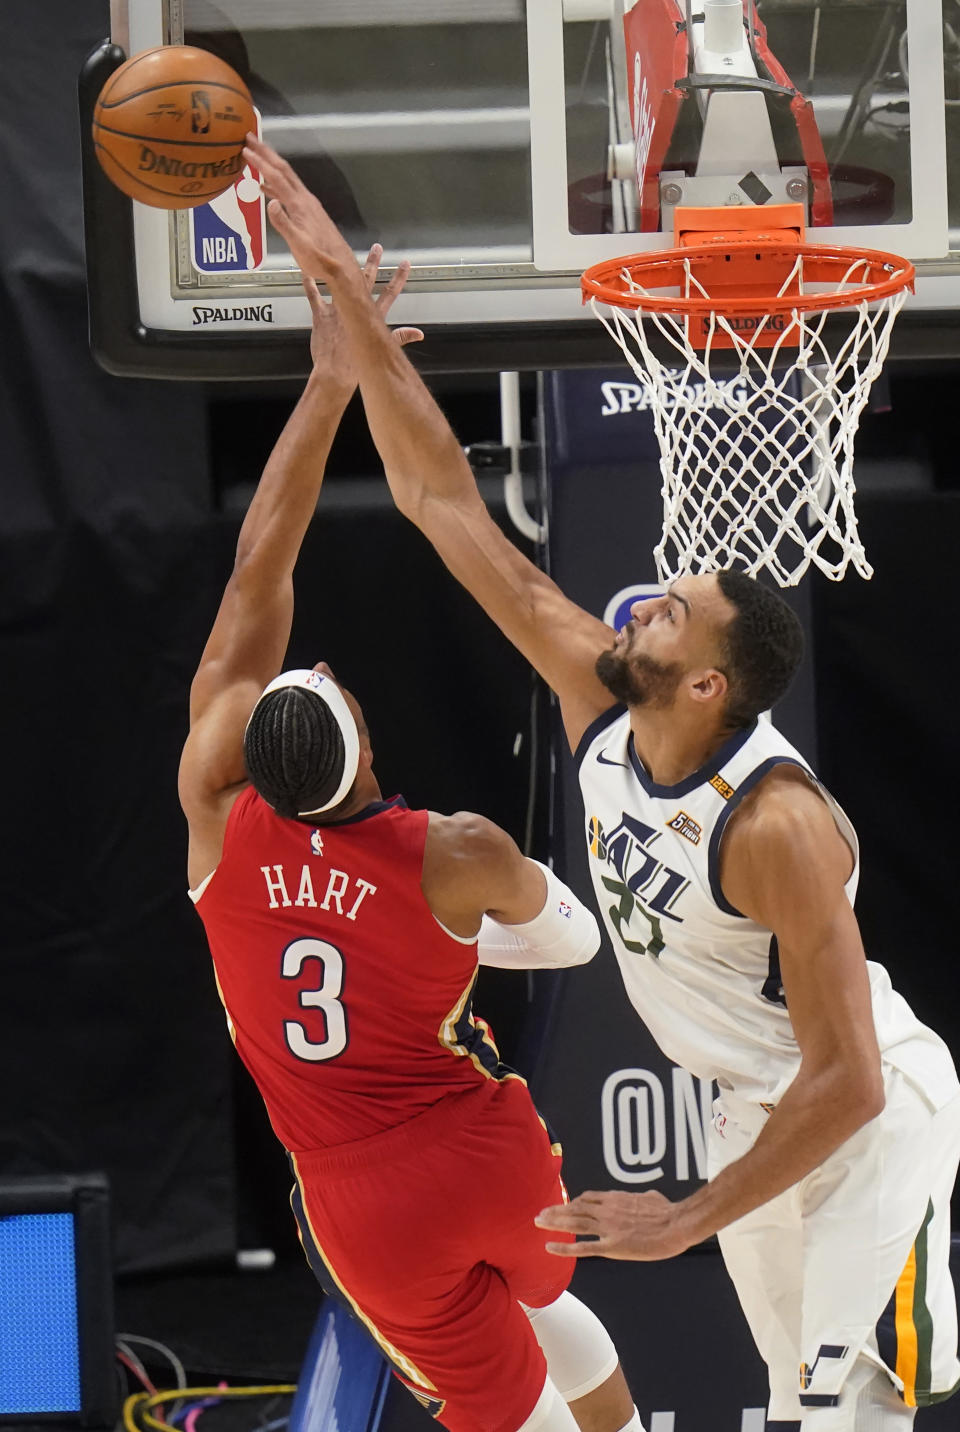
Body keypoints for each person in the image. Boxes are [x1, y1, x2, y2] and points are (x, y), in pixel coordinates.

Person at [240, 132, 960, 1432]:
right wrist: (342, 290)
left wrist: (681, 1215)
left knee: (861, 1415)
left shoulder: (780, 824)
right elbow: (442, 500)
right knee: (800, 1414)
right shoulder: (603, 702)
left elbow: (849, 1078)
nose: (639, 611)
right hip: (750, 1116)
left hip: (867, 1118)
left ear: (710, 689)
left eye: (671, 616)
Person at [177, 245, 644, 1432]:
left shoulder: (217, 816)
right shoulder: (455, 851)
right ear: (366, 754)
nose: (316, 656)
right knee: (544, 1305)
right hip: (483, 1144)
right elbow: (577, 942)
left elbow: (250, 579)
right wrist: (464, 951)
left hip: (357, 1193)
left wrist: (321, 387)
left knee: (502, 1403)